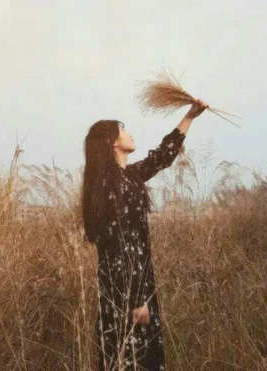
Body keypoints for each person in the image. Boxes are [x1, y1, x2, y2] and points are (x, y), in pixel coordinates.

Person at [82, 99, 208, 370]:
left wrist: (189, 117)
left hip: (135, 285)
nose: (129, 133)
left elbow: (161, 157)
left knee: (134, 357)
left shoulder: (127, 177)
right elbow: (120, 248)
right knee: (131, 359)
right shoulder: (109, 185)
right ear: (111, 142)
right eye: (123, 129)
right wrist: (136, 300)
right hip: (126, 291)